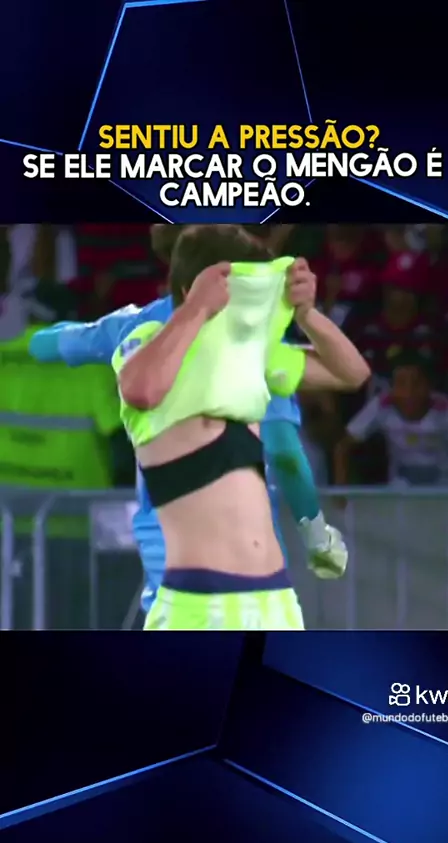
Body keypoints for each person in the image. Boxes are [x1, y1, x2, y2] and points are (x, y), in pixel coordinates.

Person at [29, 235, 348, 621]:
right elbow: (284, 453)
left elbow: (43, 344)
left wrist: (56, 330)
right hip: (250, 576)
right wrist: (317, 538)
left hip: (166, 567)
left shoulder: (131, 328)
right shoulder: (252, 346)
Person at [114, 224, 370, 629]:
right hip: (199, 607)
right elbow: (140, 390)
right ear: (194, 290)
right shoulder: (149, 342)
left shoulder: (252, 357)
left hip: (277, 601)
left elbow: (352, 373)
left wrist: (307, 315)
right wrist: (197, 308)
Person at [334, 351, 448, 488]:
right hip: (399, 491)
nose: (409, 392)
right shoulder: (382, 405)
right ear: (391, 386)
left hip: (444, 489)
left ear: (430, 385)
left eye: (417, 384)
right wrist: (341, 496)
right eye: (401, 383)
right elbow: (342, 447)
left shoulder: (446, 408)